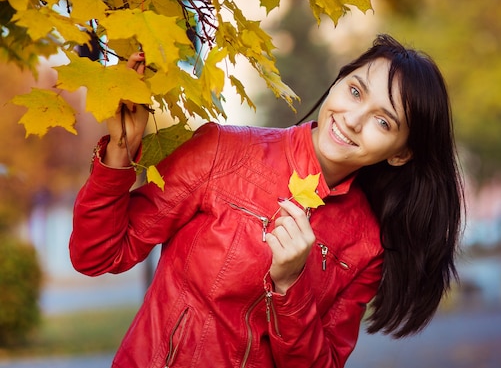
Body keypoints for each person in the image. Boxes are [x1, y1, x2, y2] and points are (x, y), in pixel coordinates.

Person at [70, 34, 464, 368]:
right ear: (337, 83)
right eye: (355, 91)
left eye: (384, 121)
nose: (353, 119)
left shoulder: (366, 244)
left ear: (401, 153)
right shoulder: (222, 151)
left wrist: (290, 285)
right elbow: (99, 255)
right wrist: (119, 154)